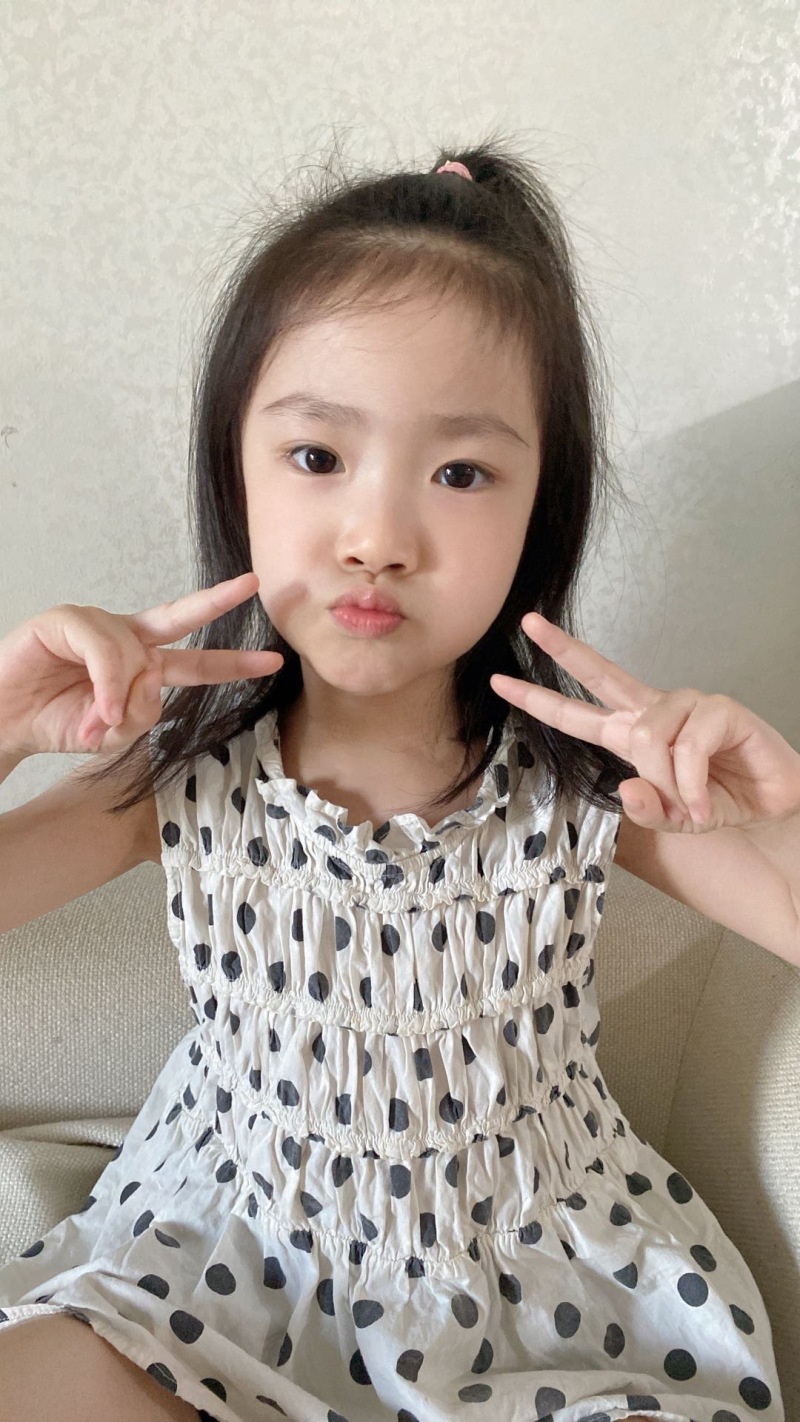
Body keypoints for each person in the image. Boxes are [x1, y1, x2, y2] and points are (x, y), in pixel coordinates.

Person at [0, 136, 794, 1422]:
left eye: (460, 473)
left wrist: (779, 819)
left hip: (534, 1304)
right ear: (235, 470)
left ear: (538, 509)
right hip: (214, 1273)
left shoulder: (593, 792)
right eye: (317, 458)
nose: (377, 537)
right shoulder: (176, 782)